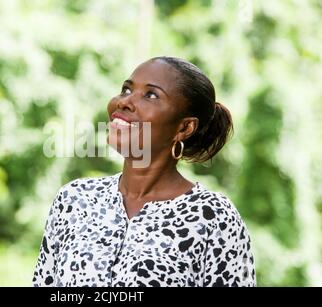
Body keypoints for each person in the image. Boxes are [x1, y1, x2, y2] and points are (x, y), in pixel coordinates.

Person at [33, 56, 256, 287]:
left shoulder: (213, 217)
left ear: (184, 127)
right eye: (126, 89)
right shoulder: (75, 199)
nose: (124, 101)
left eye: (151, 95)